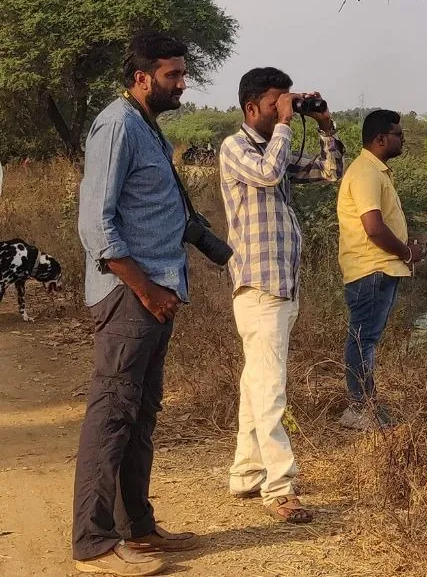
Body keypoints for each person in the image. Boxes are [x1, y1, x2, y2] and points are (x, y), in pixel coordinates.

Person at [74, 32, 198, 577]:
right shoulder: (118, 124)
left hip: (153, 295)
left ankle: (137, 528)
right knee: (112, 415)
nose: (183, 84)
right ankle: (94, 543)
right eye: (173, 75)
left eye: (183, 73)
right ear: (143, 77)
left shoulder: (145, 124)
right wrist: (145, 289)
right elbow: (96, 227)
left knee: (140, 415)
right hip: (130, 295)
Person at [219, 67, 344, 523]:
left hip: (281, 284)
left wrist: (326, 127)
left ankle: (247, 472)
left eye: (287, 102)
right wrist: (288, 126)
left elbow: (331, 172)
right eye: (277, 103)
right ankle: (280, 486)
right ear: (252, 107)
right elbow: (270, 174)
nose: (284, 110)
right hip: (259, 284)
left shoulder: (277, 145)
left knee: (256, 382)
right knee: (271, 388)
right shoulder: (235, 148)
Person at [336, 109, 423, 430]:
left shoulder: (376, 171)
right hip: (371, 268)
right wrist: (406, 252)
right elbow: (373, 227)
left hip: (378, 268)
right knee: (362, 339)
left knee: (365, 338)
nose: (403, 139)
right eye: (399, 134)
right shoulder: (365, 173)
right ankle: (360, 408)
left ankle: (364, 405)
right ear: (380, 139)